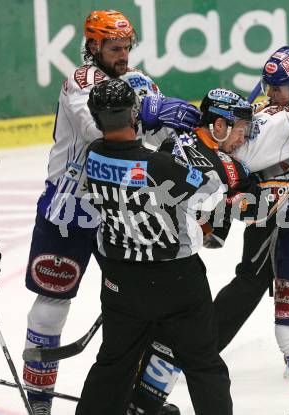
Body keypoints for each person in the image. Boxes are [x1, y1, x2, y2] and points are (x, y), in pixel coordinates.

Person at [76, 80, 289, 415]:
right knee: (203, 365)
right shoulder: (160, 166)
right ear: (133, 115)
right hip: (175, 281)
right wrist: (193, 149)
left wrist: (178, 140)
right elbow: (211, 193)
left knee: (112, 365)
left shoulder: (93, 155)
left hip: (119, 281)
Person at [129, 77, 289, 414]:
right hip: (172, 261)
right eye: (241, 130)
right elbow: (250, 208)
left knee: (165, 335)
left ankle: (140, 403)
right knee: (197, 346)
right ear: (219, 124)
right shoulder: (214, 165)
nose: (245, 138)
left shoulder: (186, 142)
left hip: (138, 251)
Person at [21, 9, 200, 414]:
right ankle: (39, 404)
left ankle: (136, 400)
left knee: (146, 303)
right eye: (114, 48)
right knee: (52, 303)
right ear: (93, 46)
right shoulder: (81, 82)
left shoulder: (138, 82)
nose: (123, 55)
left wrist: (184, 136)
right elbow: (98, 131)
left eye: (126, 47)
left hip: (119, 208)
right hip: (68, 208)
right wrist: (149, 113)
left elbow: (156, 138)